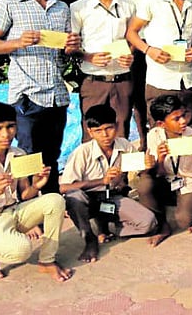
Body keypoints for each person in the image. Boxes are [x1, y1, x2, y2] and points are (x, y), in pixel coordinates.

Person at [0, 0, 81, 194]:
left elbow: (67, 52)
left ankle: (51, 205)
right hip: (27, 95)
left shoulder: (62, 8)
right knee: (26, 156)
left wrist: (71, 47)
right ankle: (26, 208)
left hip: (56, 95)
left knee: (51, 156)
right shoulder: (9, 5)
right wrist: (17, 42)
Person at [0, 102, 72, 282]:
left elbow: (25, 195)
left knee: (55, 200)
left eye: (11, 127)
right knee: (22, 249)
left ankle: (47, 261)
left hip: (10, 212)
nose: (6, 134)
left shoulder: (19, 154)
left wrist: (37, 185)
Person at [60, 105, 157, 262]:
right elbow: (63, 187)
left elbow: (141, 172)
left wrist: (148, 167)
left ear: (117, 126)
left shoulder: (124, 145)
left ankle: (113, 228)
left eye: (109, 128)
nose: (105, 135)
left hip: (112, 197)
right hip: (88, 200)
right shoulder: (82, 152)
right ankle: (89, 239)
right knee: (73, 196)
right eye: (98, 131)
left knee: (148, 222)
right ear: (90, 132)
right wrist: (101, 181)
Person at [125, 0, 192, 125]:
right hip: (160, 79)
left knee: (187, 135)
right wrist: (149, 50)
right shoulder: (151, 1)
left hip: (187, 80)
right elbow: (131, 32)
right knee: (159, 136)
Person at [71, 0, 136, 142]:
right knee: (92, 135)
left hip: (122, 80)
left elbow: (133, 38)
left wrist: (130, 54)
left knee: (121, 133)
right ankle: (93, 172)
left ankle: (120, 172)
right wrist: (88, 57)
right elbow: (71, 46)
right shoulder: (78, 8)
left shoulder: (128, 6)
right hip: (94, 82)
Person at [144, 95, 192, 235]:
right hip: (168, 182)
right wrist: (160, 159)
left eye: (183, 115)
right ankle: (162, 225)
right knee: (145, 185)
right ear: (161, 124)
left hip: (191, 182)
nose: (183, 121)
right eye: (176, 119)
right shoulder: (154, 135)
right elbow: (158, 174)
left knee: (184, 220)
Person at [120, 0, 166, 149]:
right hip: (136, 41)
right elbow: (122, 5)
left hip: (159, 41)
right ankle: (143, 140)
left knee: (156, 92)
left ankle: (161, 139)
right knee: (137, 93)